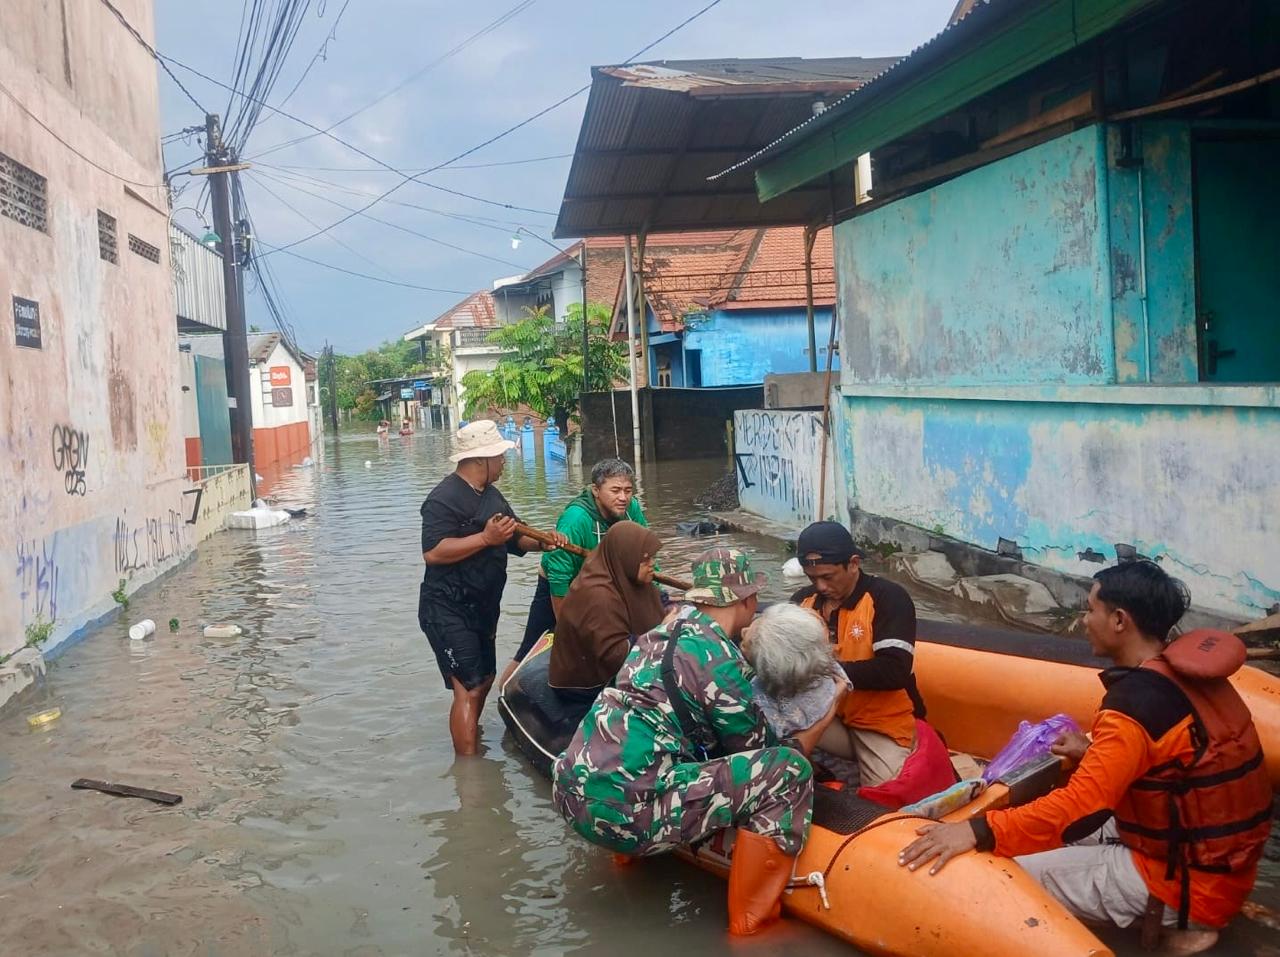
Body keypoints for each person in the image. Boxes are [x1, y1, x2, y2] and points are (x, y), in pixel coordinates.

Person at [899, 561, 1272, 955]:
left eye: (1091, 609)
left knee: (988, 873)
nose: (1083, 621)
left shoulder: (1134, 706)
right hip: (1219, 867)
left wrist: (976, 831)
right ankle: (1187, 918)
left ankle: (1186, 925)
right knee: (1030, 834)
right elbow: (1176, 767)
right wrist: (1091, 752)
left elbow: (1079, 810)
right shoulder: (1186, 678)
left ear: (1119, 620)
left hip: (1184, 884)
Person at [553, 548, 843, 936]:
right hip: (628, 816)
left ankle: (628, 864)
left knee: (650, 759)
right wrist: (824, 715)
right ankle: (751, 925)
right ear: (748, 600)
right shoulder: (719, 661)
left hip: (571, 793)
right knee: (788, 772)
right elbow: (760, 751)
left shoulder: (658, 634)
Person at [418, 420, 565, 755]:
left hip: (483, 607)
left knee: (484, 679)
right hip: (447, 608)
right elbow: (434, 552)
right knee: (467, 687)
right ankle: (468, 770)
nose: (503, 461)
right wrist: (485, 538)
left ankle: (472, 738)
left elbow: (516, 536)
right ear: (481, 459)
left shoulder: (492, 497)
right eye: (499, 456)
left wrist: (543, 542)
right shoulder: (443, 499)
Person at [790, 521, 953, 805]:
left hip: (881, 722)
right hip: (829, 715)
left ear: (853, 564)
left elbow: (895, 670)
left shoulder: (888, 598)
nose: (821, 586)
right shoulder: (803, 601)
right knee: (771, 715)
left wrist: (824, 672)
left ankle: (916, 745)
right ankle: (816, 774)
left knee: (887, 799)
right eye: (812, 577)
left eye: (828, 576)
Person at [499, 458, 649, 686]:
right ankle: (506, 690)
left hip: (605, 585)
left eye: (628, 491)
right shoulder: (576, 519)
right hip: (564, 584)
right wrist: (567, 627)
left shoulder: (632, 509)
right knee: (533, 647)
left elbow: (644, 554)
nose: (623, 497)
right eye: (615, 490)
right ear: (596, 490)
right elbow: (559, 575)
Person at [548, 521, 665, 702]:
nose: (652, 564)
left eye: (652, 557)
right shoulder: (598, 595)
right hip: (585, 684)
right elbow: (613, 655)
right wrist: (661, 633)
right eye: (645, 559)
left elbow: (659, 604)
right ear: (628, 558)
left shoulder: (628, 578)